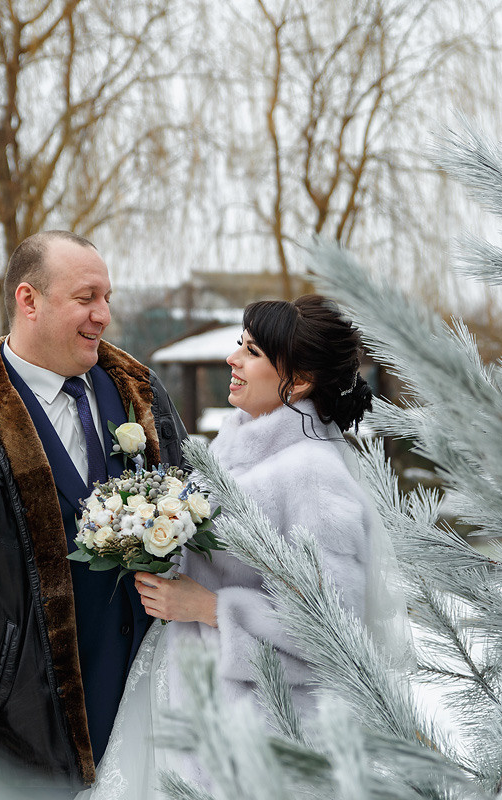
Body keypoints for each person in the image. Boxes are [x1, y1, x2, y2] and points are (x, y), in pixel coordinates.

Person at [0, 230, 187, 799]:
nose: (103, 316)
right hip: (23, 745)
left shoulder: (144, 396)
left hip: (157, 726)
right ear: (29, 300)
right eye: (86, 298)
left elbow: (201, 524)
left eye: (108, 299)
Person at [82, 294, 406, 799]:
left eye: (251, 351)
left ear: (297, 381)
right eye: (240, 344)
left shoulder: (314, 476)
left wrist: (210, 607)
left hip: (263, 745)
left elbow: (336, 640)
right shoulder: (233, 447)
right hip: (200, 715)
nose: (232, 359)